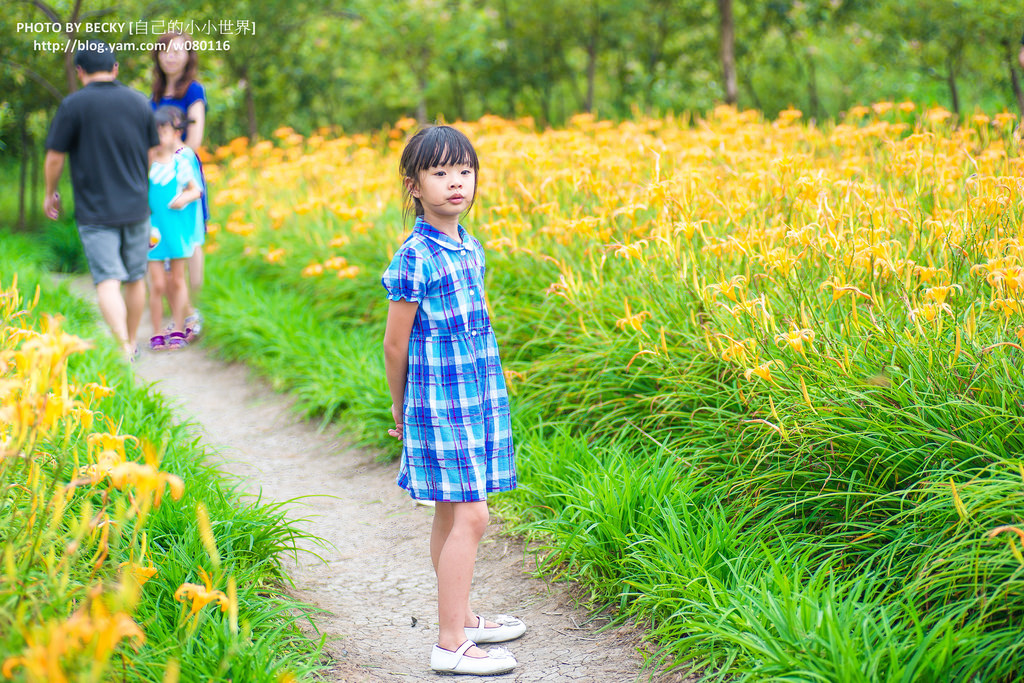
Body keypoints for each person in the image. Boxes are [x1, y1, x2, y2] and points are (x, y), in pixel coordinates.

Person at [382, 126, 525, 676]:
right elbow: (396, 343)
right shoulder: (415, 255)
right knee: (473, 515)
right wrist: (399, 404)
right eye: (439, 173)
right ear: (414, 186)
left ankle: (462, 618)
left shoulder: (469, 244)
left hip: (477, 392)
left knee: (450, 508)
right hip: (438, 398)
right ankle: (448, 643)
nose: (455, 183)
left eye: (464, 171)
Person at [44, 40, 158, 360]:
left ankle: (122, 345)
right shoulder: (139, 103)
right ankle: (132, 341)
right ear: (115, 69)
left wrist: (50, 192)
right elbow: (150, 154)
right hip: (137, 207)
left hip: (95, 212)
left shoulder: (73, 106)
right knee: (136, 278)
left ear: (79, 71)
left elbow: (55, 157)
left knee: (107, 279)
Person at [151, 31, 208, 336]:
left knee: (189, 239)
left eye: (178, 51)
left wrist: (169, 159)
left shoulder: (194, 91)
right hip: (157, 177)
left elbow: (194, 140)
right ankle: (177, 307)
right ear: (158, 56)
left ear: (188, 56)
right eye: (166, 51)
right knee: (161, 234)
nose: (171, 56)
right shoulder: (156, 93)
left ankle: (192, 311)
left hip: (183, 171)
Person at [147, 106, 204, 351]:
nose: (161, 137)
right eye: (156, 132)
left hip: (178, 229)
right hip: (154, 232)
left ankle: (179, 327)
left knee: (178, 279)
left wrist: (184, 199)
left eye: (165, 131)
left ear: (175, 131)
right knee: (158, 282)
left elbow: (195, 190)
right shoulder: (147, 162)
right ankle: (158, 330)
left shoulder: (183, 159)